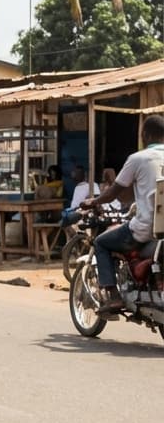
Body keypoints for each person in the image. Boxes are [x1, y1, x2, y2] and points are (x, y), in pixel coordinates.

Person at [81, 114, 164, 316]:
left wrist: (94, 201)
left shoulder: (138, 158)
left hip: (145, 229)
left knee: (101, 243)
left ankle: (114, 296)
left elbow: (114, 193)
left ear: (144, 135)